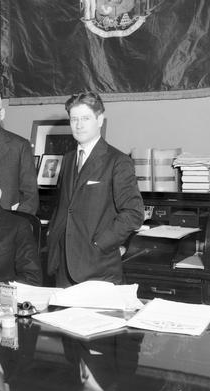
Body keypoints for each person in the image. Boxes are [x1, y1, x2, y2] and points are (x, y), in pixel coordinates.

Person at [46, 92, 144, 287]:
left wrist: (101, 244)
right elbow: (66, 207)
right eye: (74, 119)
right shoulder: (67, 159)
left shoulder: (118, 161)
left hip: (98, 268)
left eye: (85, 118)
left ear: (99, 120)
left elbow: (134, 213)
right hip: (62, 267)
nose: (79, 125)